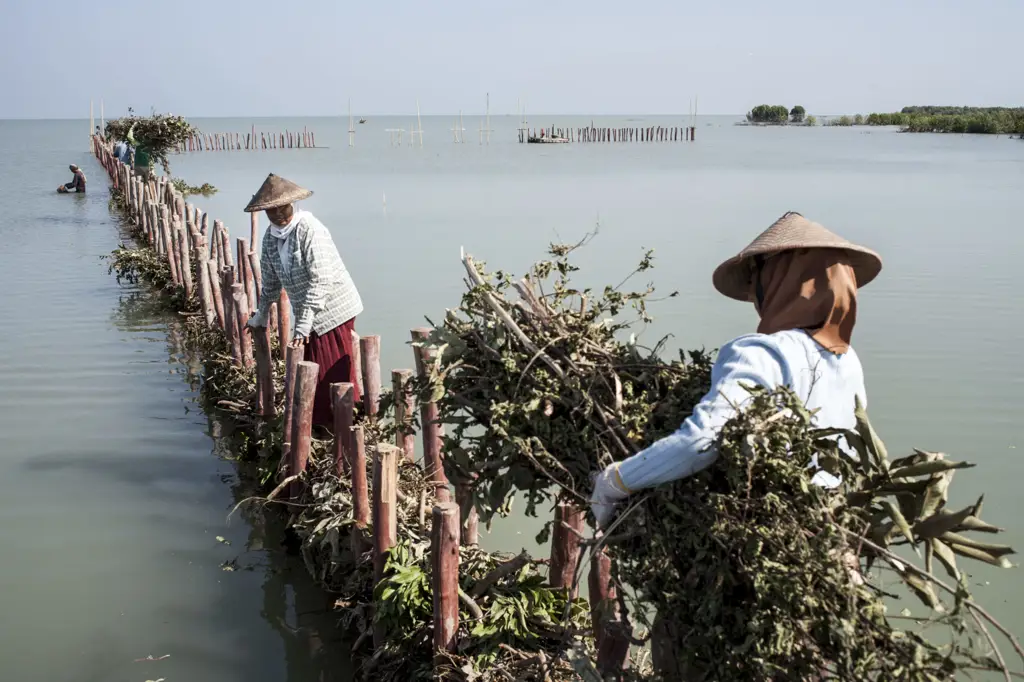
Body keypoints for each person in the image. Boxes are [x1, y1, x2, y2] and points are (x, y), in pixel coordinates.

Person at [590, 211, 883, 528]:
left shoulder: (762, 353)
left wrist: (615, 481)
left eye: (757, 279)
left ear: (776, 281)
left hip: (765, 536)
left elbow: (701, 442)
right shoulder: (847, 359)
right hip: (830, 532)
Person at [244, 173, 364, 428]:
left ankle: (337, 424)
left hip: (334, 307)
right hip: (309, 312)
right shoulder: (271, 237)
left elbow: (321, 280)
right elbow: (271, 282)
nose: (278, 215)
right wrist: (262, 314)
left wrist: (303, 324)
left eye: (283, 208)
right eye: (271, 210)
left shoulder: (310, 228)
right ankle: (321, 424)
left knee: (328, 369)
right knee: (313, 367)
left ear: (292, 204)